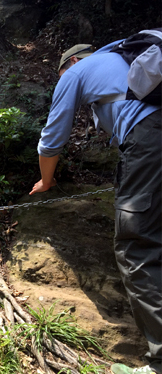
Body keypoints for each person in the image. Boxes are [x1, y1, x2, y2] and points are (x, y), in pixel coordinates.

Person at [30, 41, 161, 374]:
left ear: (72, 61)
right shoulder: (125, 63)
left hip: (149, 139)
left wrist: (46, 180)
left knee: (137, 246)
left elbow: (52, 137)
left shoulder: (78, 71)